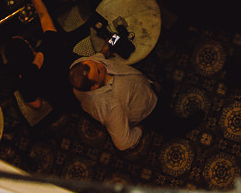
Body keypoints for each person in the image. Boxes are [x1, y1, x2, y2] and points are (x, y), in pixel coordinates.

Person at [69, 54, 202, 150]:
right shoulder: (111, 107)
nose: (100, 64)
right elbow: (123, 143)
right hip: (148, 110)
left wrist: (107, 47)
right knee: (169, 125)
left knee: (162, 91)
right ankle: (187, 125)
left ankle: (164, 89)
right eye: (99, 70)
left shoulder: (81, 66)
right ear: (94, 87)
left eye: (95, 63)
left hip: (144, 88)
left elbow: (99, 57)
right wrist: (140, 127)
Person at [4, 0, 79, 114]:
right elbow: (44, 15)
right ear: (30, 46)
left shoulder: (25, 83)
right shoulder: (51, 45)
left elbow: (37, 105)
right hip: (81, 80)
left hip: (65, 105)